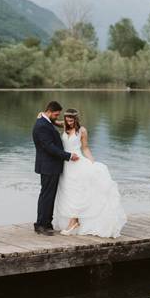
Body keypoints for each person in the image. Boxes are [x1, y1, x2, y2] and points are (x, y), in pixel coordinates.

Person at [47, 108, 127, 238]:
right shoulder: (64, 125)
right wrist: (42, 114)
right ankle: (73, 221)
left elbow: (85, 147)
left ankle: (74, 221)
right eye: (67, 118)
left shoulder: (82, 131)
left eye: (72, 119)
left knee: (77, 192)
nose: (69, 121)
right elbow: (53, 120)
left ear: (76, 119)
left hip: (77, 163)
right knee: (67, 192)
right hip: (66, 164)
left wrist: (92, 162)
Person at [33, 100, 80, 235]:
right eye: (56, 114)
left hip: (50, 165)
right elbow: (49, 147)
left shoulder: (45, 121)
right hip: (48, 165)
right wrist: (68, 156)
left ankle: (46, 223)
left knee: (49, 195)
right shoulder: (42, 125)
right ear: (50, 111)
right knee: (47, 196)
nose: (57, 117)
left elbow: (56, 124)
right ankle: (41, 225)